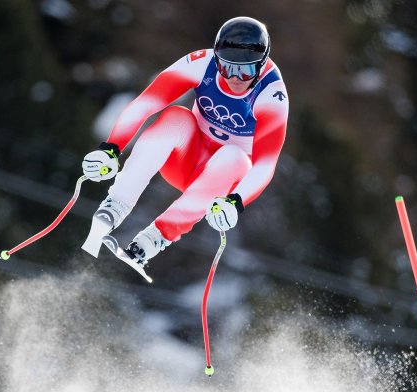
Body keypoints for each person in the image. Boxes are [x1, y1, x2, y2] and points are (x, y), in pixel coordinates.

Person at [80, 16, 289, 273]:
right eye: (226, 68)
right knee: (176, 116)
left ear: (262, 64)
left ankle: (155, 238)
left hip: (219, 185)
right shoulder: (202, 63)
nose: (235, 78)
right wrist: (110, 148)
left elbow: (265, 164)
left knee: (236, 157)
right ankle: (116, 204)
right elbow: (146, 103)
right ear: (216, 59)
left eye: (246, 70)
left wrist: (236, 201)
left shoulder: (271, 95)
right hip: (183, 160)